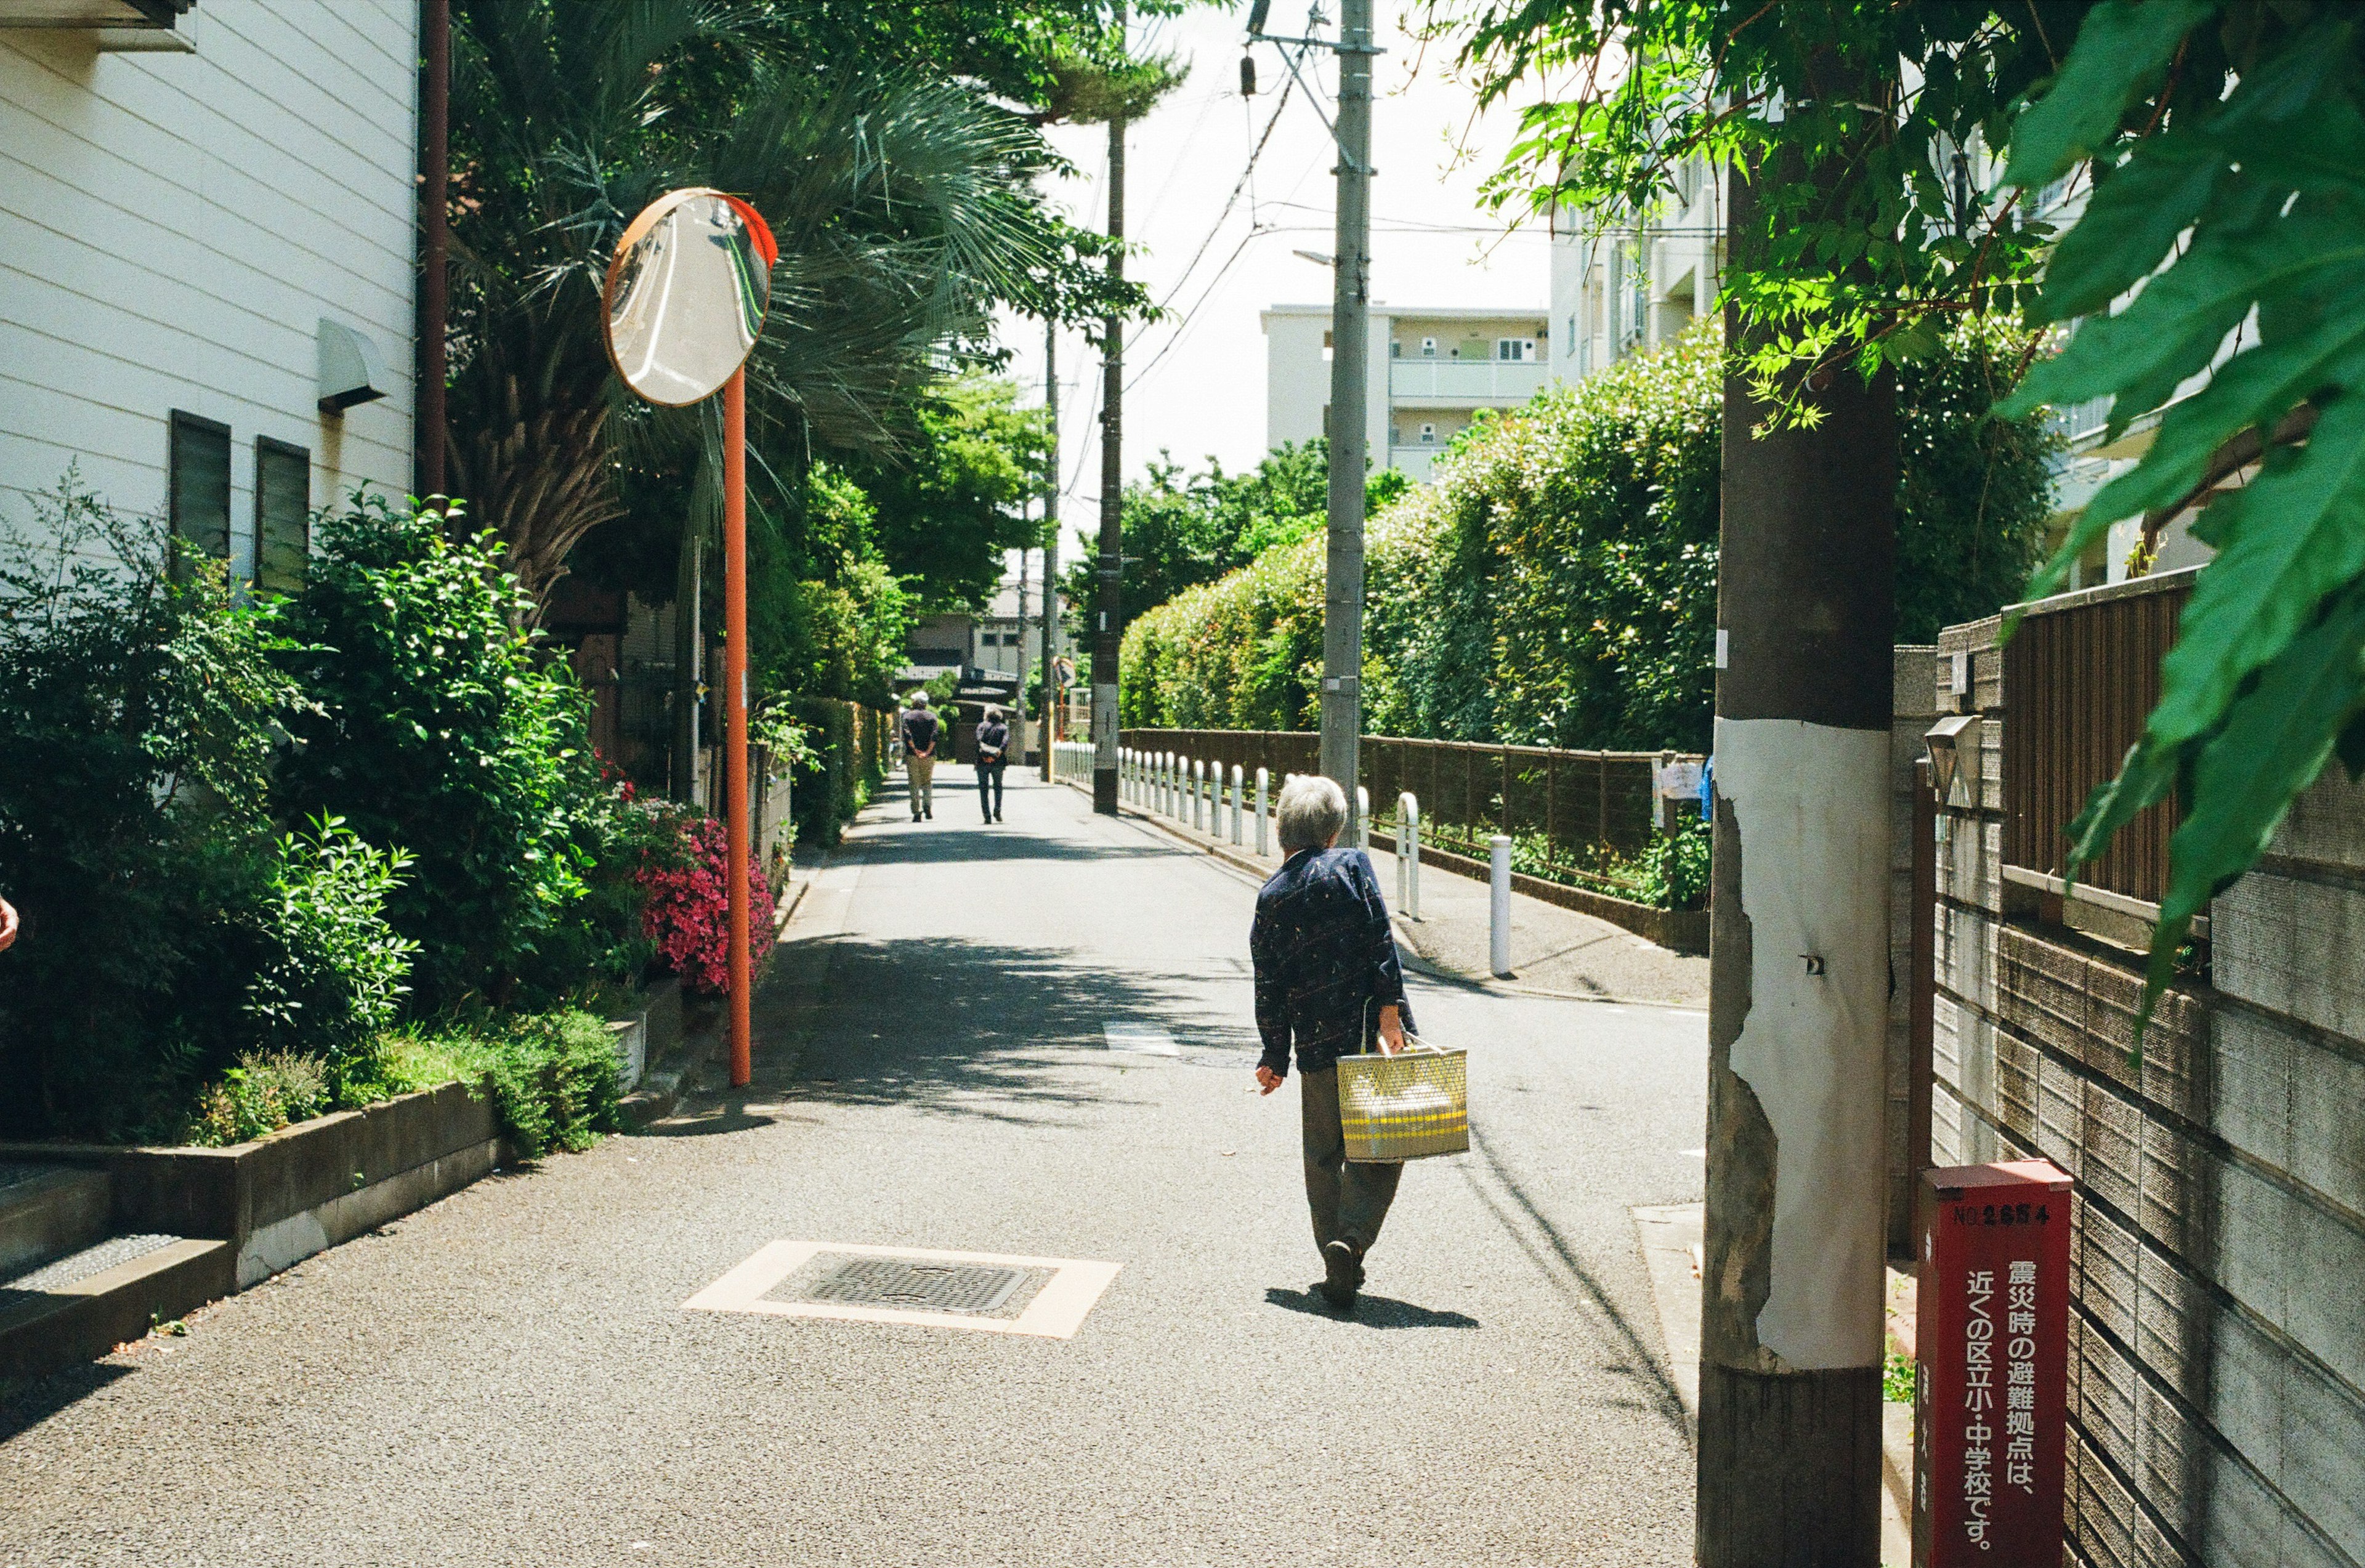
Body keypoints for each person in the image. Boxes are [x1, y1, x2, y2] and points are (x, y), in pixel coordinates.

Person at [1249, 774, 1414, 1313]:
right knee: (1386, 1143)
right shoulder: (1352, 867)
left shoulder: (1271, 896)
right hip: (1370, 1034)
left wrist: (1274, 1058)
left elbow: (1269, 985)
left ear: (1282, 832)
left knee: (1323, 1155)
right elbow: (1380, 942)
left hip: (1314, 1043)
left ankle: (1334, 1258)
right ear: (1334, 829)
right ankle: (1354, 1238)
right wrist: (1391, 1017)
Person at [899, 692, 939, 822]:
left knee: (914, 783)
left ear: (914, 702)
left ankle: (916, 812)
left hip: (912, 755)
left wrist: (915, 750)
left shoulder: (907, 717)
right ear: (926, 703)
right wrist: (927, 751)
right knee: (927, 782)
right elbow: (934, 736)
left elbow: (907, 735)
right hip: (929, 755)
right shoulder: (932, 717)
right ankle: (927, 806)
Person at [974, 705, 1010, 823]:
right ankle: (997, 810)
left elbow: (978, 741)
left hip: (982, 762)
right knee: (998, 786)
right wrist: (996, 755)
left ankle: (987, 816)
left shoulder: (981, 726)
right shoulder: (1003, 728)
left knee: (983, 788)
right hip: (998, 762)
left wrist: (986, 756)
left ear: (987, 715)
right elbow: (1005, 743)